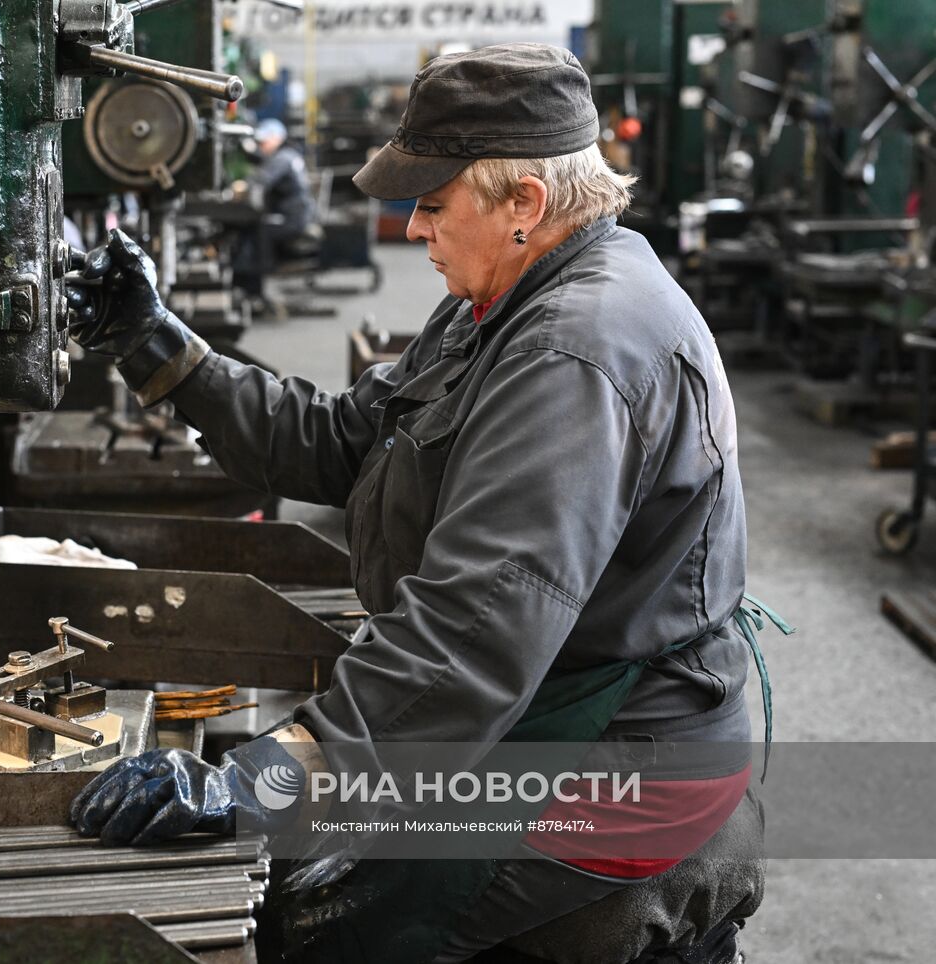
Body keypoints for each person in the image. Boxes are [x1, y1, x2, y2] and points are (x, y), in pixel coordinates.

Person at [64, 44, 766, 964]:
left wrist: (263, 781)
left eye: (433, 206)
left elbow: (477, 626)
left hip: (609, 766)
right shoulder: (500, 300)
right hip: (532, 725)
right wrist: (158, 345)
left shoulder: (575, 351)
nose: (411, 231)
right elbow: (340, 440)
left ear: (526, 202)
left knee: (318, 933)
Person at [232, 117, 322, 305]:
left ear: (276, 138)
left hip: (292, 219)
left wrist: (242, 187)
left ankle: (259, 280)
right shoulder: (289, 154)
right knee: (257, 225)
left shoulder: (283, 158)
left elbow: (262, 178)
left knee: (258, 229)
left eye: (264, 142)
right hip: (297, 215)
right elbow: (262, 161)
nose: (261, 146)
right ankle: (252, 284)